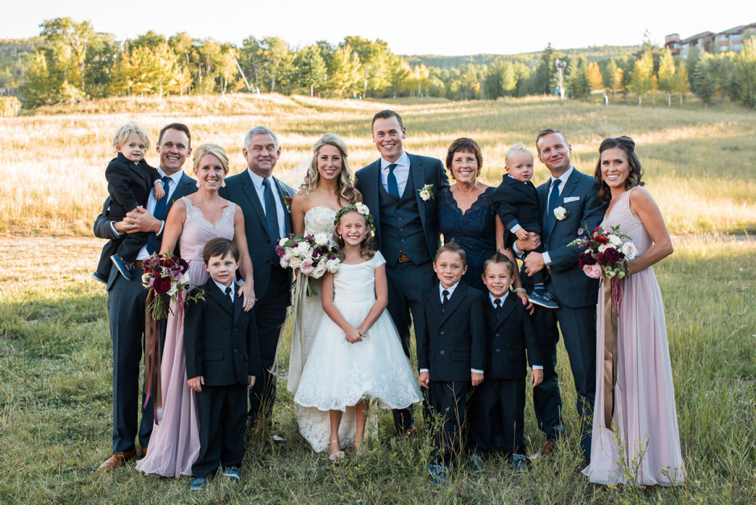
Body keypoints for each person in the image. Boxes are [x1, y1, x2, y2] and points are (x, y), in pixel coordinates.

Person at [136, 144, 255, 477]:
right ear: (197, 170)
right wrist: (170, 289)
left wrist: (250, 284)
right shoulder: (181, 206)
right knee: (188, 364)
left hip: (225, 292)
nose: (212, 174)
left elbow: (243, 253)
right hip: (189, 296)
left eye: (218, 168)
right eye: (205, 168)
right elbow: (165, 253)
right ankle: (182, 446)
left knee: (216, 363)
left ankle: (215, 444)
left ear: (225, 171)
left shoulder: (234, 209)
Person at [93, 123, 197, 471]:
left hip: (165, 284)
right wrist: (117, 227)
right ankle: (122, 446)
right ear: (157, 147)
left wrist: (158, 226)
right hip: (125, 279)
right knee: (124, 361)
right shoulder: (133, 177)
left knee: (156, 365)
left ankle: (152, 439)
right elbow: (100, 222)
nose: (173, 150)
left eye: (180, 146)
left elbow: (194, 238)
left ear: (188, 151)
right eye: (167, 144)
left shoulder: (193, 190)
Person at [582, 136, 685, 485]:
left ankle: (648, 461)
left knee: (638, 368)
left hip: (636, 292)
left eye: (617, 163)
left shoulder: (638, 196)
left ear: (631, 166)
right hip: (611, 295)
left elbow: (665, 244)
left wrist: (625, 269)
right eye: (605, 163)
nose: (611, 168)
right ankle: (616, 457)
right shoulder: (609, 204)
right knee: (617, 371)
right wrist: (597, 265)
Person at [293, 205, 423, 461]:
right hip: (338, 326)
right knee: (337, 382)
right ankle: (333, 441)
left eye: (358, 226)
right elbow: (327, 302)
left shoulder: (376, 258)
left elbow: (382, 298)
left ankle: (359, 440)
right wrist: (348, 328)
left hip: (370, 325)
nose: (353, 230)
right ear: (339, 230)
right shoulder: (332, 259)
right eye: (348, 226)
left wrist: (362, 328)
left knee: (363, 384)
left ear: (367, 230)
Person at [354, 109, 450, 436]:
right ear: (373, 138)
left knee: (430, 342)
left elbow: (447, 213)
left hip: (425, 269)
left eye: (392, 132)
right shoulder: (364, 177)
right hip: (387, 275)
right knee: (395, 346)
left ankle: (437, 419)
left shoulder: (431, 167)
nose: (387, 139)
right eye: (380, 134)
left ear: (404, 132)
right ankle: (403, 423)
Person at [515, 129, 607, 461]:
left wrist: (549, 258)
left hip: (576, 293)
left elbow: (591, 238)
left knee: (585, 370)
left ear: (569, 148)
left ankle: (591, 445)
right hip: (539, 294)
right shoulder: (536, 193)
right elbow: (525, 238)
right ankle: (551, 434)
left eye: (558, 146)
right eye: (546, 150)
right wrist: (517, 246)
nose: (553, 153)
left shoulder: (590, 188)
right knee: (542, 367)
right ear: (539, 157)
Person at [287, 133, 362, 451]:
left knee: (345, 351)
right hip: (313, 288)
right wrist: (306, 262)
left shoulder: (353, 196)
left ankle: (351, 428)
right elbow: (295, 243)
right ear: (315, 161)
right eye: (324, 158)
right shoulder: (302, 198)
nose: (330, 164)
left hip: (348, 286)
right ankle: (317, 424)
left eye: (336, 158)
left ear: (343, 161)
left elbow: (360, 240)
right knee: (316, 348)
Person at [221, 126, 295, 428]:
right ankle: (232, 423)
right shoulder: (228, 187)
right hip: (239, 286)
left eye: (270, 148)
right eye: (258, 148)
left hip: (278, 289)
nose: (264, 153)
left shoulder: (287, 192)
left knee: (267, 358)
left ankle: (262, 421)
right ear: (245, 153)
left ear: (278, 153)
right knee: (236, 353)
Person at [185, 238, 259, 490]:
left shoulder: (244, 295)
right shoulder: (198, 296)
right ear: (206, 267)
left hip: (238, 371)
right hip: (211, 373)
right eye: (216, 264)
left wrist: (252, 370)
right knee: (210, 421)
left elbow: (252, 336)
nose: (223, 268)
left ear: (237, 263)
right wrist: (194, 372)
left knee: (236, 418)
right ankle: (204, 468)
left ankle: (232, 463)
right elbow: (192, 337)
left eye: (228, 262)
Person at [417, 240, 486, 485]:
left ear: (464, 270)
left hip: (460, 367)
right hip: (434, 368)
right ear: (435, 267)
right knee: (435, 412)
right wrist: (423, 367)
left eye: (455, 267)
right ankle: (443, 451)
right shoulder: (426, 297)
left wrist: (476, 367)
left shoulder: (474, 297)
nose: (449, 271)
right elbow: (422, 335)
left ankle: (445, 461)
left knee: (453, 415)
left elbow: (478, 335)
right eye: (444, 265)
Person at [467, 253, 543, 473]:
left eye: (502, 276)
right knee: (483, 411)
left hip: (513, 370)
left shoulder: (519, 304)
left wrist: (536, 365)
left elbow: (530, 337)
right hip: (486, 370)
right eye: (492, 277)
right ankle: (479, 450)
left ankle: (516, 451)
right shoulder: (477, 303)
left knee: (513, 411)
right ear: (483, 279)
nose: (497, 281)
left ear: (512, 279)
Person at [94, 122, 165, 283]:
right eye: (132, 145)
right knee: (139, 234)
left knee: (116, 241)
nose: (137, 149)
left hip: (130, 208)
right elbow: (121, 191)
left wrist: (157, 183)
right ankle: (123, 259)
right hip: (122, 208)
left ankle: (102, 271)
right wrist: (133, 208)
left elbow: (153, 172)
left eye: (141, 147)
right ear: (119, 148)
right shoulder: (117, 167)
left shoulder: (141, 164)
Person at [492, 143, 558, 309]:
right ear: (508, 169)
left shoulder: (527, 184)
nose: (525, 170)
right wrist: (517, 230)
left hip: (531, 227)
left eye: (529, 166)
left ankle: (540, 285)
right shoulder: (504, 190)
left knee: (538, 251)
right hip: (521, 231)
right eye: (519, 166)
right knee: (535, 254)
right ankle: (538, 289)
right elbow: (505, 213)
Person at [437, 138, 504, 293]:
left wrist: (518, 286)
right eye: (458, 160)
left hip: (485, 277)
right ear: (450, 166)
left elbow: (502, 247)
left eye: (470, 160)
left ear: (478, 165)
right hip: (452, 277)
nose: (464, 165)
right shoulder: (441, 197)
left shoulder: (493, 196)